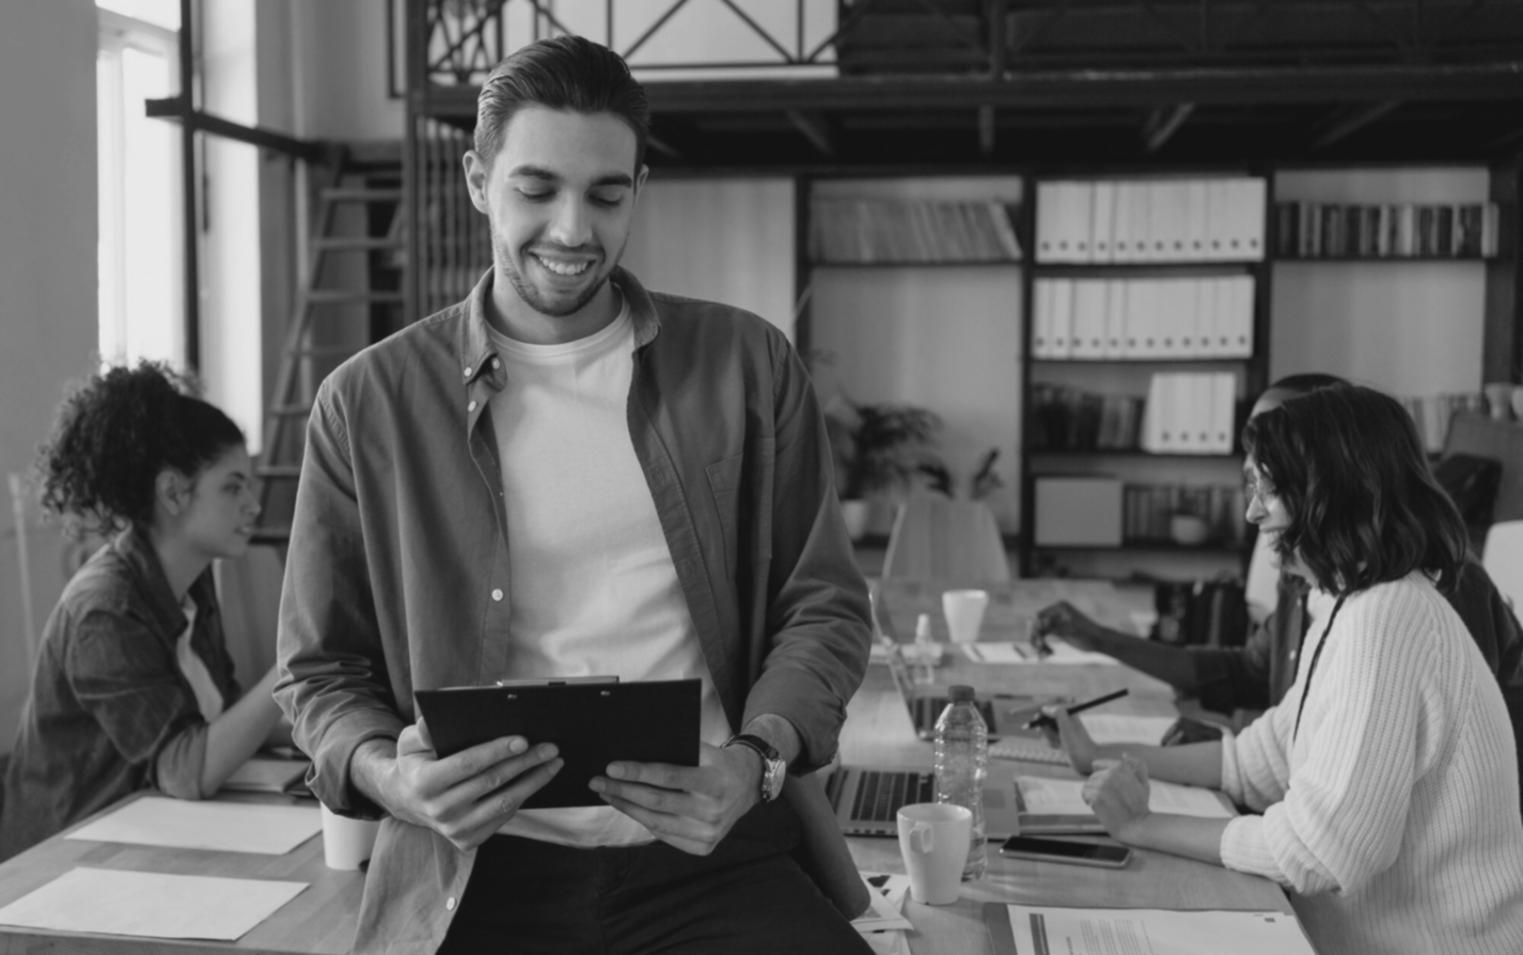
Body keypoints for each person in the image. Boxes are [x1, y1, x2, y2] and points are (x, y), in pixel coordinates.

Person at [273, 35, 873, 955]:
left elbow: (822, 605)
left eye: (606, 194)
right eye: (535, 188)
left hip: (712, 859)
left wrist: (755, 760)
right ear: (478, 179)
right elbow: (319, 671)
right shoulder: (368, 401)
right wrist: (391, 779)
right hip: (474, 875)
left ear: (638, 187)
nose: (571, 231)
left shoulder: (747, 368)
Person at [1051, 383, 1523, 955]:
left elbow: (1318, 851)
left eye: (1269, 490)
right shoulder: (1346, 602)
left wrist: (1141, 827)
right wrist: (1098, 757)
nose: (1252, 512)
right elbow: (1263, 760)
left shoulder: (1387, 618)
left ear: (1331, 494)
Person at [1033, 373, 1523, 738]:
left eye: (1274, 461)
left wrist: (1232, 752)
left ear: (1332, 462)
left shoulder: (1437, 596)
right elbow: (1252, 675)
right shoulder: (1312, 579)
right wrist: (1099, 638)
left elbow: (1417, 763)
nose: (1255, 490)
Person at [0, 362, 283, 860]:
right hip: (62, 867)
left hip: (151, 837)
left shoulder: (193, 583)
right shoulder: (104, 611)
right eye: (233, 486)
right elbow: (188, 768)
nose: (253, 505)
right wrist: (293, 665)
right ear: (174, 492)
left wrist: (339, 727)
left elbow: (229, 719)